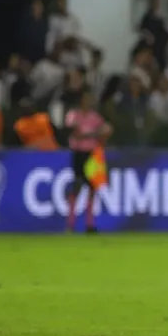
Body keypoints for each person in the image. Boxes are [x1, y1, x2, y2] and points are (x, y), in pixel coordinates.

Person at [64, 90, 112, 233]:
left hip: (91, 155)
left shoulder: (94, 117)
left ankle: (90, 224)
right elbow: (75, 133)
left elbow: (108, 129)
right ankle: (70, 224)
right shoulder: (74, 115)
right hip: (78, 153)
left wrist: (91, 135)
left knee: (92, 188)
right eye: (86, 99)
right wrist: (94, 134)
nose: (88, 102)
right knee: (77, 186)